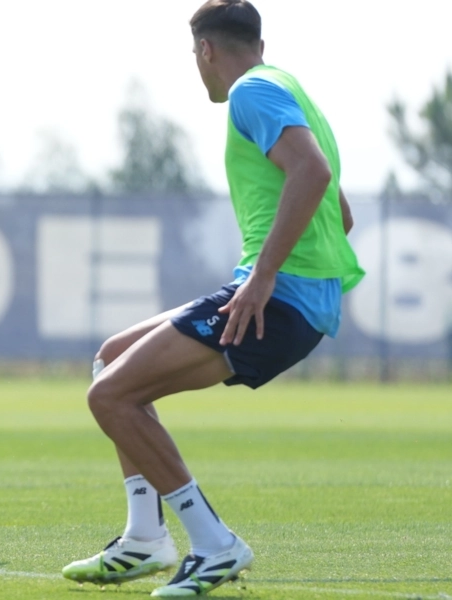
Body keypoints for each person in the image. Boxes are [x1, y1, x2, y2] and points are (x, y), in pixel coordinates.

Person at [60, 1, 364, 596]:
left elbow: (313, 174)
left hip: (278, 297)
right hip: (292, 293)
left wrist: (265, 277)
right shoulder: (288, 87)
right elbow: (340, 212)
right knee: (112, 356)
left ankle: (214, 543)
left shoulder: (252, 91)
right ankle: (145, 536)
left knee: (110, 396)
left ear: (205, 50)